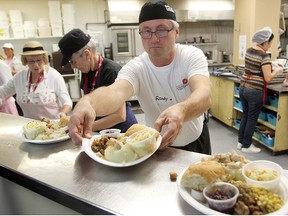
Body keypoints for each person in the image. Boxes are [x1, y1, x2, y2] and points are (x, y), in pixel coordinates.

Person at [68, 1, 212, 154]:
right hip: (157, 145)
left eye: (161, 30)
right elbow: (115, 92)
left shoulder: (190, 56)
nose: (154, 38)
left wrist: (182, 110)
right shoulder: (137, 67)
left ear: (176, 32)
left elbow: (204, 94)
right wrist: (87, 102)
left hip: (196, 142)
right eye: (146, 31)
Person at [58, 28, 138, 132]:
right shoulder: (86, 71)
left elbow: (119, 116)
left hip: (123, 131)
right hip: (102, 130)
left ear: (87, 54)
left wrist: (83, 128)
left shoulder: (111, 71)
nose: (73, 67)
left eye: (73, 62)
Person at [237, 27, 283, 153]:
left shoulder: (249, 51)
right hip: (255, 91)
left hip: (243, 87)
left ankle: (240, 142)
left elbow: (255, 65)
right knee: (252, 118)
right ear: (264, 42)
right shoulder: (264, 56)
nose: (270, 46)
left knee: (245, 115)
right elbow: (267, 78)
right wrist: (276, 71)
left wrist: (270, 64)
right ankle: (247, 146)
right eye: (269, 43)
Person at [0, 41, 73, 120]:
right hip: (29, 126)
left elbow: (67, 102)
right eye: (31, 61)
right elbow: (3, 92)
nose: (36, 65)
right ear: (25, 61)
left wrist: (62, 113)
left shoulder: (54, 76)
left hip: (52, 125)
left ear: (44, 59)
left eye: (39, 60)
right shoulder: (20, 77)